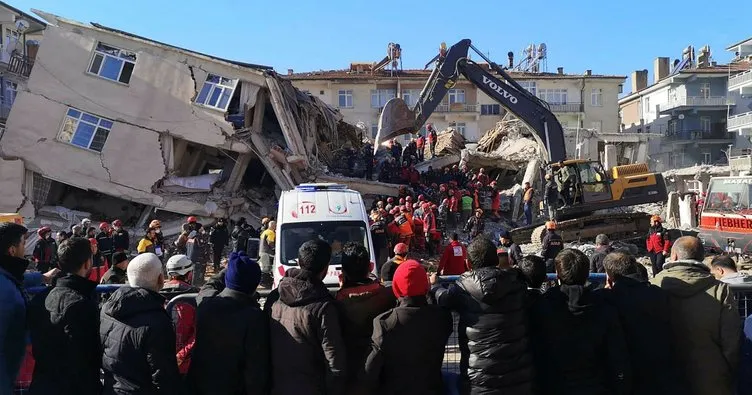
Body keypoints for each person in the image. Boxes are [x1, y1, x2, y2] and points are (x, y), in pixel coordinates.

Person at [431, 237, 534, 394]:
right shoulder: (516, 284)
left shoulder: (462, 287)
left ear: (468, 264)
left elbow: (443, 299)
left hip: (477, 384)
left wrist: (434, 285)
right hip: (519, 382)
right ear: (496, 261)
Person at [529, 248, 632, 395]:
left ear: (557, 275)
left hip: (555, 386)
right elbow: (618, 356)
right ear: (586, 275)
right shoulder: (605, 307)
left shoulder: (541, 308)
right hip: (598, 387)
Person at [651, 236, 740, 395]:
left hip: (665, 377)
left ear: (674, 256)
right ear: (702, 258)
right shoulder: (720, 290)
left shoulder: (654, 285)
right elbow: (731, 340)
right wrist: (726, 371)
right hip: (711, 378)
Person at [269, 239, 347, 395]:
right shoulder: (324, 307)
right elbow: (334, 361)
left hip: (277, 385)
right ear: (325, 269)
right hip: (312, 387)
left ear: (298, 262)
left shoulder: (274, 297)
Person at [600, 251, 683, 395]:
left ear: (610, 276)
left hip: (630, 373)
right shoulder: (659, 294)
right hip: (663, 370)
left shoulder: (608, 299)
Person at [365, 260, 453, 394]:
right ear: (426, 285)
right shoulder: (442, 318)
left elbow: (370, 370)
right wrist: (430, 290)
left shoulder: (385, 323)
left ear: (396, 287)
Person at [27, 237, 101, 395]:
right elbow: (87, 358)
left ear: (59, 265)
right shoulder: (81, 305)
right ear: (88, 264)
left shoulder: (40, 299)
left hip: (41, 384)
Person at [188, 251, 269, 395]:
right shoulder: (253, 317)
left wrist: (230, 269)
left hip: (199, 385)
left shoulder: (206, 303)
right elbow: (255, 368)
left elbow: (209, 285)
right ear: (254, 286)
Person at [100, 253, 182, 394]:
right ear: (161, 279)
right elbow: (164, 377)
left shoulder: (107, 309)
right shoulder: (158, 322)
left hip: (111, 388)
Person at [336, 242, 396, 394]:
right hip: (384, 373)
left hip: (350, 374)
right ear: (370, 267)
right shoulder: (388, 297)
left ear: (343, 272)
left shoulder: (336, 304)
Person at [259, 220, 276, 287]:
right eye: (275, 226)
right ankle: (266, 282)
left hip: (262, 251)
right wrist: (275, 249)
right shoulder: (271, 232)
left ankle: (264, 282)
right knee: (267, 268)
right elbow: (270, 242)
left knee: (263, 268)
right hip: (267, 253)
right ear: (273, 226)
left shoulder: (264, 232)